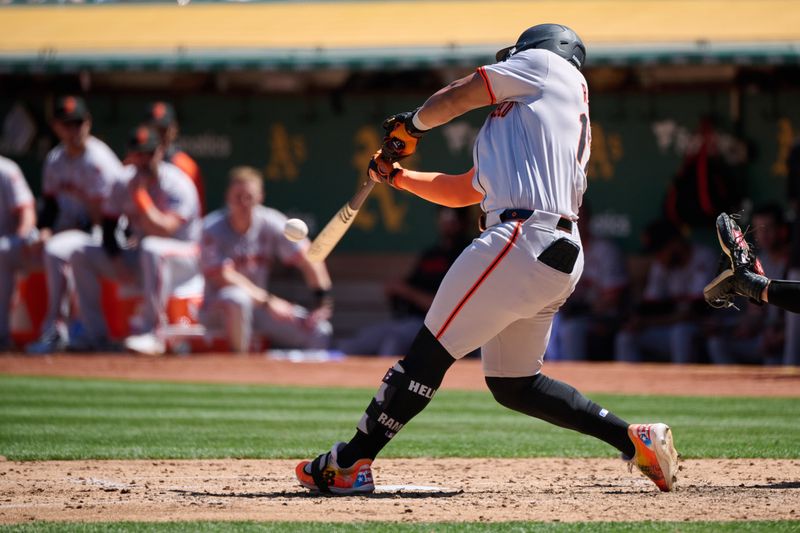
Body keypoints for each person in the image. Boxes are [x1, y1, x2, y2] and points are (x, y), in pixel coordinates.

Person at [294, 23, 679, 495]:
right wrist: (399, 177)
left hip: (521, 238)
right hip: (554, 251)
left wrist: (411, 125)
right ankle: (632, 439)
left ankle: (349, 462)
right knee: (514, 384)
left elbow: (461, 93)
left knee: (427, 355)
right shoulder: (533, 120)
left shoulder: (546, 66)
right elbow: (464, 189)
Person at [70, 125, 201, 354]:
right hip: (146, 257)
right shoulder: (122, 182)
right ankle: (95, 335)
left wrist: (140, 197)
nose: (144, 160)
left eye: (149, 153)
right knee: (80, 254)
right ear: (130, 156)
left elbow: (166, 229)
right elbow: (108, 227)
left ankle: (153, 333)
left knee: (152, 248)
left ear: (160, 152)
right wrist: (116, 260)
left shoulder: (176, 182)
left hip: (185, 257)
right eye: (139, 153)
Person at [199, 166, 332, 353]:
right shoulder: (211, 228)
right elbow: (224, 277)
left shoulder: (270, 221)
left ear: (260, 197)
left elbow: (310, 257)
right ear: (228, 197)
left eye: (249, 197)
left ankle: (308, 382)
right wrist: (269, 302)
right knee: (238, 299)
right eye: (238, 196)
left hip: (259, 309)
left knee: (319, 330)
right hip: (217, 310)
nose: (244, 203)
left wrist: (321, 301)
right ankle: (238, 372)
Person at [27, 96, 123, 354]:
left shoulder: (98, 160)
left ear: (88, 124)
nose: (73, 130)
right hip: (69, 231)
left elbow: (105, 215)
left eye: (78, 123)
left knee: (57, 250)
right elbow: (49, 206)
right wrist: (43, 231)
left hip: (104, 233)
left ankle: (55, 330)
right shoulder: (55, 159)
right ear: (56, 126)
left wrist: (55, 236)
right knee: (14, 250)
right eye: (67, 124)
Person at [335, 207, 472, 356]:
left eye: (452, 219)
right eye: (443, 218)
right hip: (411, 321)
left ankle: (389, 380)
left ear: (462, 222)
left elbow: (445, 307)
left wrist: (406, 291)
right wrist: (397, 289)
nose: (447, 223)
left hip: (438, 327)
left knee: (394, 340)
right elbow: (407, 285)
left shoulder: (466, 254)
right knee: (358, 342)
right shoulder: (431, 254)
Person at [614, 220, 715, 364]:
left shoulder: (704, 257)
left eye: (660, 250)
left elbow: (695, 312)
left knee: (681, 331)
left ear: (675, 243)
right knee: (626, 337)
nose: (657, 257)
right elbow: (650, 306)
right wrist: (636, 319)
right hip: (671, 327)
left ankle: (683, 383)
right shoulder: (661, 265)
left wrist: (647, 321)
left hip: (711, 328)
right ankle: (629, 384)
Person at [704, 212, 800, 363]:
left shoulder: (794, 263)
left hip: (788, 339)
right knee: (718, 342)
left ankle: (747, 282)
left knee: (773, 356)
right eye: (759, 229)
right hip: (765, 336)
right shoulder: (759, 261)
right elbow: (755, 313)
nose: (763, 235)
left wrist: (780, 336)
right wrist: (745, 326)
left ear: (782, 230)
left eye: (768, 229)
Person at [550, 203, 629, 360]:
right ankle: (549, 372)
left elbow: (613, 299)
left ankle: (573, 377)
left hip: (603, 316)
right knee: (551, 318)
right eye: (571, 218)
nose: (575, 223)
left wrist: (581, 308)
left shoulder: (605, 250)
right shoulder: (560, 249)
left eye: (579, 217)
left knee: (571, 329)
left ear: (588, 219)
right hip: (575, 314)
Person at [0, 156, 37, 351]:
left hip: (14, 241)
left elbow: (26, 212)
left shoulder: (5, 169)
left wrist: (21, 239)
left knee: (2, 250)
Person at [143, 101, 206, 215]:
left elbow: (197, 213)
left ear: (174, 129)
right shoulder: (133, 163)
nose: (158, 134)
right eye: (153, 129)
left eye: (163, 129)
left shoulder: (187, 166)